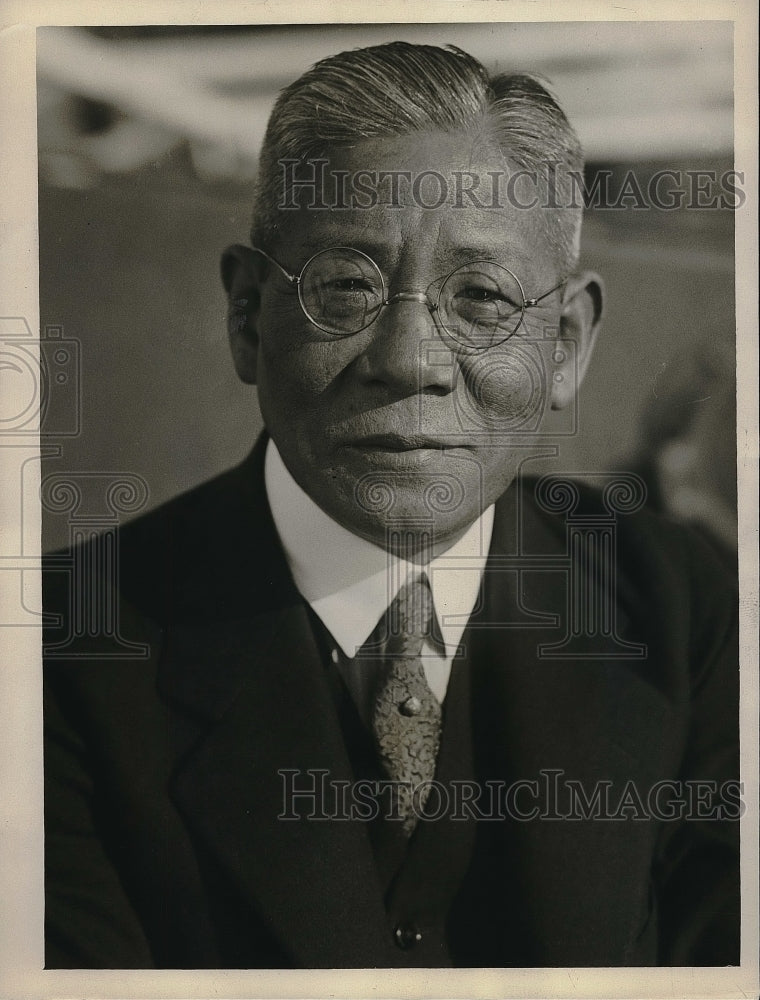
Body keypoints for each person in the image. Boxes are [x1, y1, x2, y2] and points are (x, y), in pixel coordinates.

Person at [43, 41, 740, 969]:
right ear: (248, 314)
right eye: (346, 287)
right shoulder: (63, 653)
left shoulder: (681, 609)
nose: (410, 359)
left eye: (482, 297)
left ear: (567, 343)